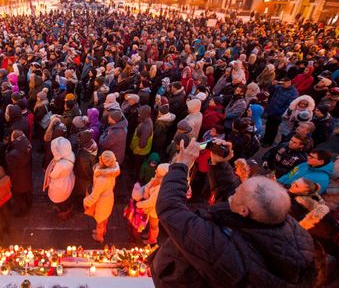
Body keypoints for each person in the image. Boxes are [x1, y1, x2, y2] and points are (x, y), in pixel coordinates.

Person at [150, 138, 315, 287]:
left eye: (238, 192)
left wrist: (182, 165)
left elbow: (170, 208)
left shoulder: (221, 247)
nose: (233, 191)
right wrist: (219, 164)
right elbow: (230, 195)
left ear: (243, 211)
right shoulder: (279, 223)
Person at [83, 150, 120, 243]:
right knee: (105, 217)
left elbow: (94, 196)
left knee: (99, 221)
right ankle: (104, 231)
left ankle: (99, 237)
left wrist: (85, 201)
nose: (99, 158)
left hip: (102, 202)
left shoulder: (101, 178)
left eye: (102, 158)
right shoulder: (112, 169)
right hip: (109, 198)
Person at [132, 163, 169, 244]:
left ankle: (152, 240)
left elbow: (152, 202)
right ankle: (150, 235)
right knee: (151, 224)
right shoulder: (157, 179)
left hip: (155, 210)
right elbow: (147, 187)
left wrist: (139, 204)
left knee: (154, 226)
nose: (155, 171)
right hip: (152, 208)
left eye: (158, 171)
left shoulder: (161, 187)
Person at [44, 136, 76, 221]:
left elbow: (53, 175)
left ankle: (63, 214)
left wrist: (50, 173)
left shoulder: (61, 164)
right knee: (66, 197)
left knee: (61, 201)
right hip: (68, 180)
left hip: (60, 185)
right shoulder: (70, 154)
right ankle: (67, 208)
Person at [262, 76, 299, 146]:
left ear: (289, 82)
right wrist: (272, 85)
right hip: (271, 110)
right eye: (281, 83)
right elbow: (271, 91)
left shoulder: (293, 93)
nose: (282, 85)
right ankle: (265, 139)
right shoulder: (280, 87)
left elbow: (289, 106)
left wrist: (278, 112)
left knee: (273, 128)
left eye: (283, 83)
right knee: (268, 125)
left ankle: (269, 142)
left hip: (278, 114)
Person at [5, 129, 33, 217]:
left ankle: (23, 209)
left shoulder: (12, 155)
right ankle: (29, 203)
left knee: (17, 196)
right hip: (26, 173)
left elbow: (12, 171)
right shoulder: (27, 144)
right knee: (27, 191)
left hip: (18, 178)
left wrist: (11, 181)